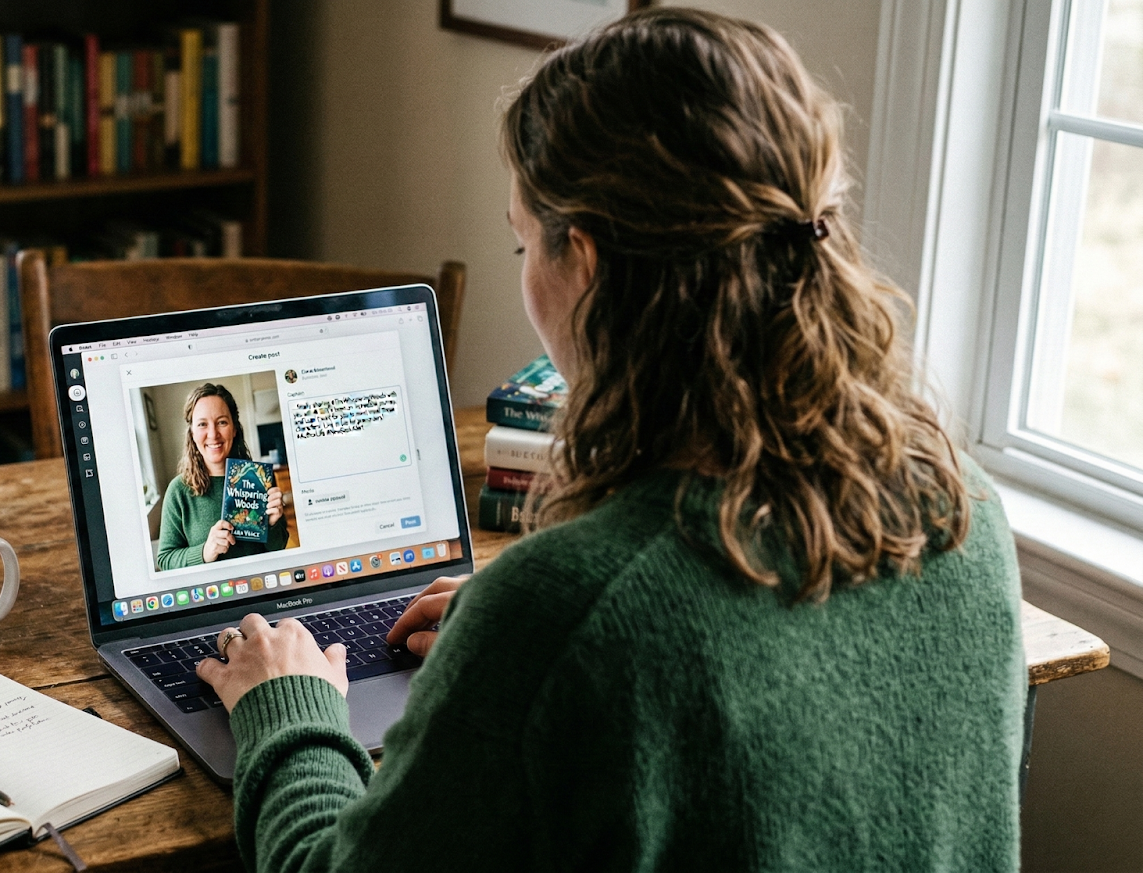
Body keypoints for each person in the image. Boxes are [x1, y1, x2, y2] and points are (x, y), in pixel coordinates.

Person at [196, 7, 1025, 872]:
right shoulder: (963, 508)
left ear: (582, 262)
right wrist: (510, 657)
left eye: (522, 242)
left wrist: (287, 705)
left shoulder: (565, 609)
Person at [156, 383, 288, 570]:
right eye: (202, 424)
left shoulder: (259, 480)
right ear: (192, 433)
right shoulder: (178, 491)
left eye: (222, 422)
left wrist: (272, 525)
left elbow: (279, 547)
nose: (213, 434)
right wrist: (205, 551)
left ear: (234, 428)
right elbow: (165, 560)